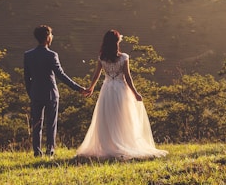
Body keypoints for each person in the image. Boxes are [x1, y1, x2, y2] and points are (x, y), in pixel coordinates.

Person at [76, 29, 168, 160]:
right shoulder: (124, 57)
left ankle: (109, 145)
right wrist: (135, 93)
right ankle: (122, 143)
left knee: (107, 117)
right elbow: (127, 77)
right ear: (117, 42)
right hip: (120, 89)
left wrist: (91, 88)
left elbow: (96, 74)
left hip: (107, 89)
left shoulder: (102, 57)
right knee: (123, 117)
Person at [24, 25, 87, 157]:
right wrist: (78, 88)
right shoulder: (52, 55)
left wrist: (31, 93)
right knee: (51, 124)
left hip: (35, 93)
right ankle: (50, 150)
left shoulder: (28, 55)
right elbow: (61, 75)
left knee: (36, 124)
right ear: (47, 38)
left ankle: (37, 151)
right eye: (51, 35)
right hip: (51, 93)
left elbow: (27, 78)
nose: (52, 37)